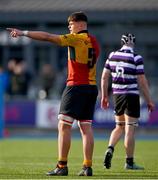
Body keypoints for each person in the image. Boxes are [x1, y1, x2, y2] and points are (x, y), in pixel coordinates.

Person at [7, 11, 100, 176]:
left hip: (76, 86)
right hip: (91, 87)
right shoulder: (95, 42)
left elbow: (48, 37)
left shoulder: (76, 38)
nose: (69, 28)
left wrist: (23, 33)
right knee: (86, 127)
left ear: (79, 24)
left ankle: (62, 165)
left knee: (63, 126)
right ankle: (87, 166)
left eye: (70, 24)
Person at [101, 33, 154, 170]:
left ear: (121, 42)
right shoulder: (136, 57)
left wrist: (104, 96)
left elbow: (104, 77)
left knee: (119, 126)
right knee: (130, 130)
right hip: (131, 95)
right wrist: (149, 100)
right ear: (133, 43)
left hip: (117, 95)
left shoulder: (112, 55)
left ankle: (110, 148)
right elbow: (142, 81)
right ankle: (129, 162)